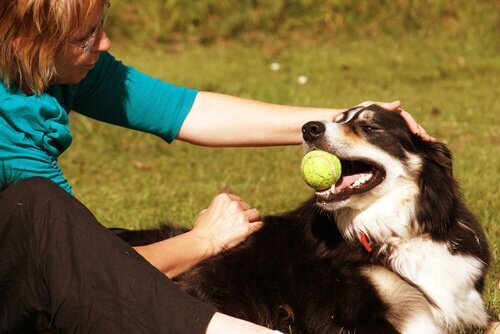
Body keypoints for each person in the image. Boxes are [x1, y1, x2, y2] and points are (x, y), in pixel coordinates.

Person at [0, 0, 433, 333]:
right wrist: (203, 240)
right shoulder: (10, 130)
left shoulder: (50, 65)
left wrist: (343, 123)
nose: (105, 42)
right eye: (85, 38)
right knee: (44, 210)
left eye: (102, 21)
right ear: (23, 43)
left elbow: (186, 111)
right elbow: (79, 271)